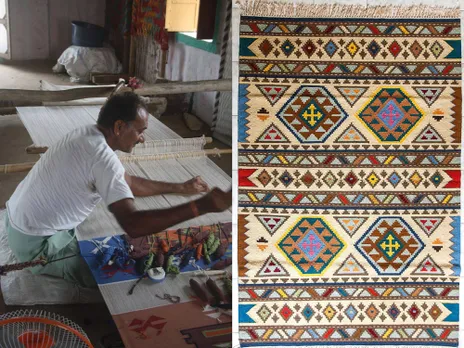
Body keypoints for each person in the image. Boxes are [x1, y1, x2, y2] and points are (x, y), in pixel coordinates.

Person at [5, 92, 232, 288]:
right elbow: (133, 225)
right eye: (140, 131)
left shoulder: (86, 133)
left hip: (16, 219)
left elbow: (128, 182)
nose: (142, 139)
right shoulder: (103, 160)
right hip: (37, 246)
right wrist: (202, 206)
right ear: (119, 126)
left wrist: (181, 187)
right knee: (121, 269)